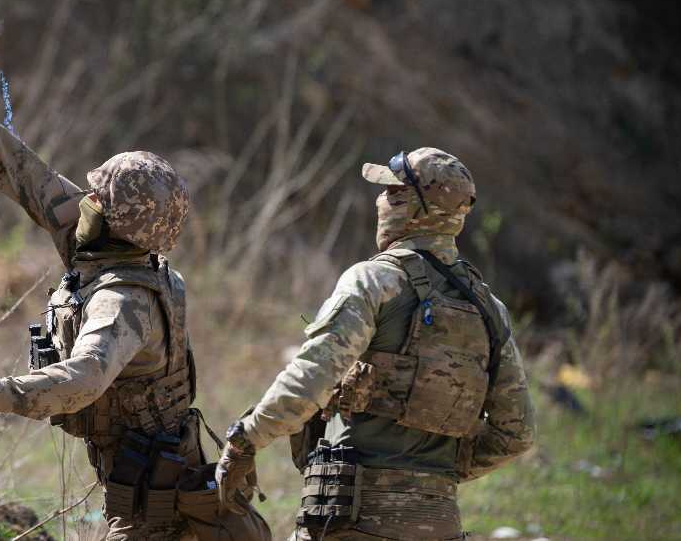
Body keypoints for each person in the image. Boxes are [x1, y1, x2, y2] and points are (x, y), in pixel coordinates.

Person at [0, 53, 269, 540]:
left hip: (156, 507)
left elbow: (84, 378)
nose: (86, 199)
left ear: (117, 222)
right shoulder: (101, 248)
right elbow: (28, 177)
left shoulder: (123, 300)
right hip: (139, 484)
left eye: (98, 197)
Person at [215, 148, 536, 540]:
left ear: (408, 205)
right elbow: (515, 434)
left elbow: (311, 377)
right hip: (441, 522)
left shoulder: (373, 281)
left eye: (389, 192)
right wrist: (433, 481)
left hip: (351, 517)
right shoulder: (490, 308)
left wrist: (245, 439)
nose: (380, 200)